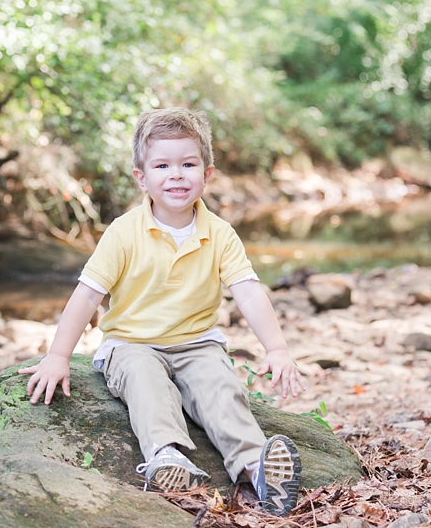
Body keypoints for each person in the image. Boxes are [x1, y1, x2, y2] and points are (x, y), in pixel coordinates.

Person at [19, 107, 306, 516]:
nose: (176, 175)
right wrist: (57, 356)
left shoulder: (219, 233)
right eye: (162, 165)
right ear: (142, 177)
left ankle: (256, 466)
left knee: (221, 389)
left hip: (198, 343)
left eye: (188, 164)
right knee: (147, 383)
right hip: (132, 344)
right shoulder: (123, 232)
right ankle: (166, 456)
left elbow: (248, 291)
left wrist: (276, 349)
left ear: (207, 174)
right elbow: (86, 296)